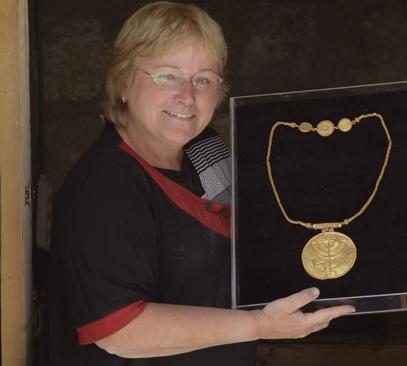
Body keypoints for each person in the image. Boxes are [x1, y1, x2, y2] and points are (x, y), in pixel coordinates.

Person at [39, 2, 354, 365]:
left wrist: (390, 213)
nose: (187, 96)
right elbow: (120, 330)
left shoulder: (206, 153)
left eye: (203, 79)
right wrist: (256, 325)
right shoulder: (106, 183)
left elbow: (272, 235)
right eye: (167, 76)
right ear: (124, 81)